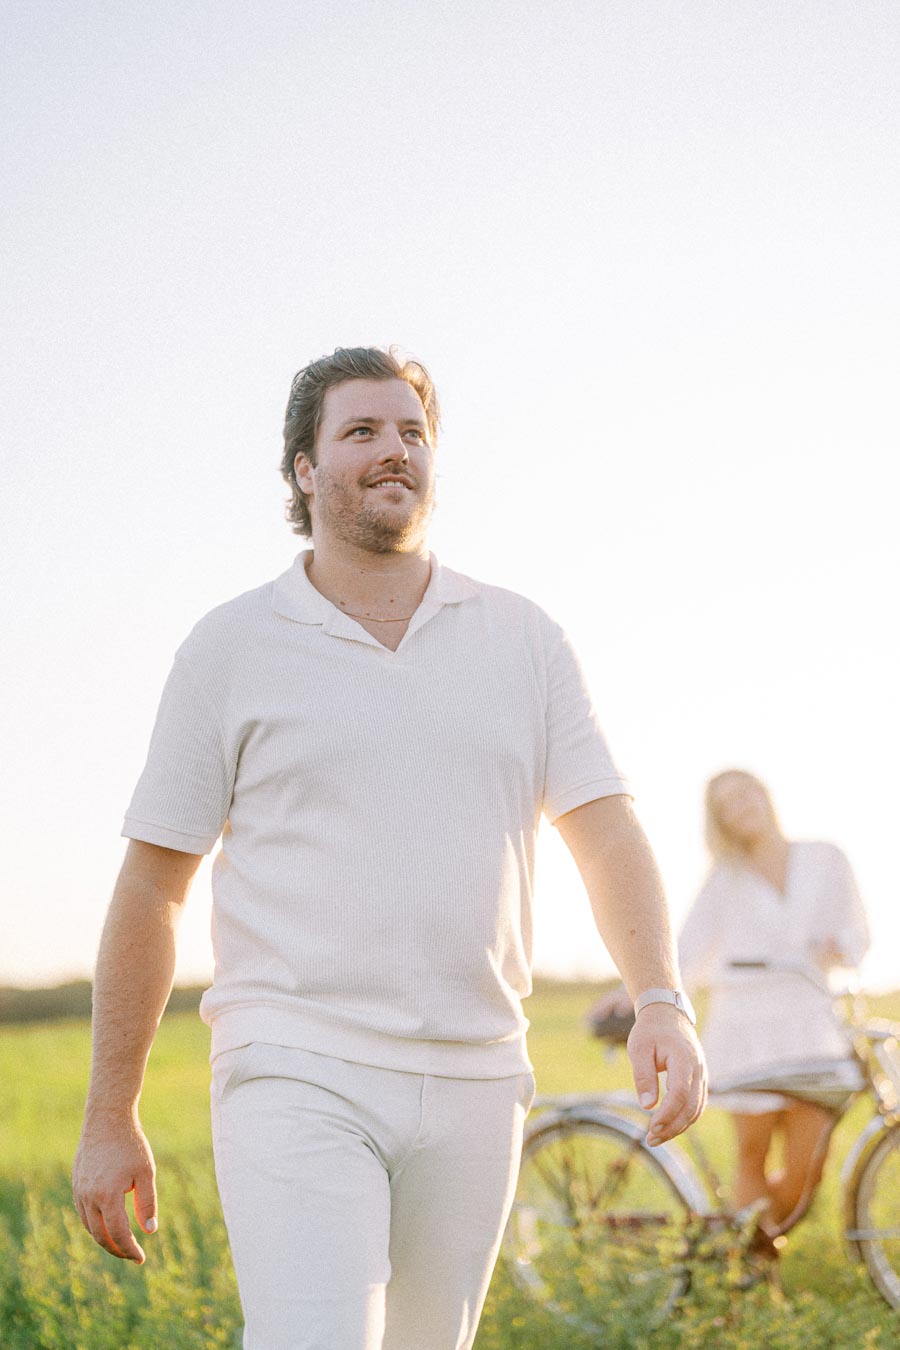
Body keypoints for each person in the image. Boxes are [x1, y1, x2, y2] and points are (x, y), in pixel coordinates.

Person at [72, 346, 706, 1350]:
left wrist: (660, 996)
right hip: (296, 1062)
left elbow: (605, 826)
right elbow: (154, 884)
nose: (393, 449)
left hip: (477, 1075)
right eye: (360, 430)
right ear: (304, 470)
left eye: (412, 431)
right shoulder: (231, 646)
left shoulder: (522, 637)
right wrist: (112, 1114)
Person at [594, 767, 869, 1238]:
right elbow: (688, 949)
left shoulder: (826, 858)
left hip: (812, 1024)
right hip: (746, 1027)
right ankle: (756, 1266)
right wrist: (634, 989)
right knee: (752, 1156)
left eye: (744, 794)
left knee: (808, 1167)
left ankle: (746, 1237)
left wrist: (837, 945)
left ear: (764, 793)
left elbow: (858, 932)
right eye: (726, 805)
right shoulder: (725, 878)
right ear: (720, 821)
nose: (740, 807)